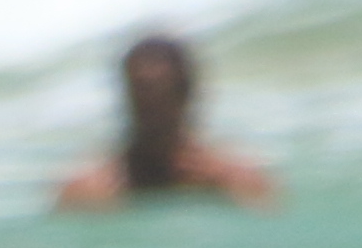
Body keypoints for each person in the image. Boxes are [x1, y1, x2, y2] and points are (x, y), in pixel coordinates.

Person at [55, 33, 280, 213]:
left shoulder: (235, 179)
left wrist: (228, 192)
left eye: (162, 93)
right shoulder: (91, 187)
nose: (152, 106)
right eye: (141, 93)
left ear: (188, 95)